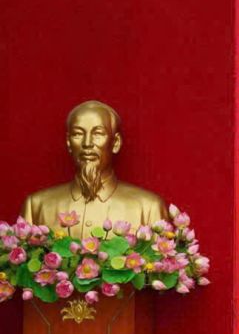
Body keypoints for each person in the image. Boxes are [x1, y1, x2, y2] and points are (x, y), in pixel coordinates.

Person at [21, 100, 167, 237]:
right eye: (78, 134)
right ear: (68, 142)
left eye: (98, 133)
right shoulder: (37, 206)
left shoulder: (148, 208)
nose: (87, 143)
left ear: (115, 143)